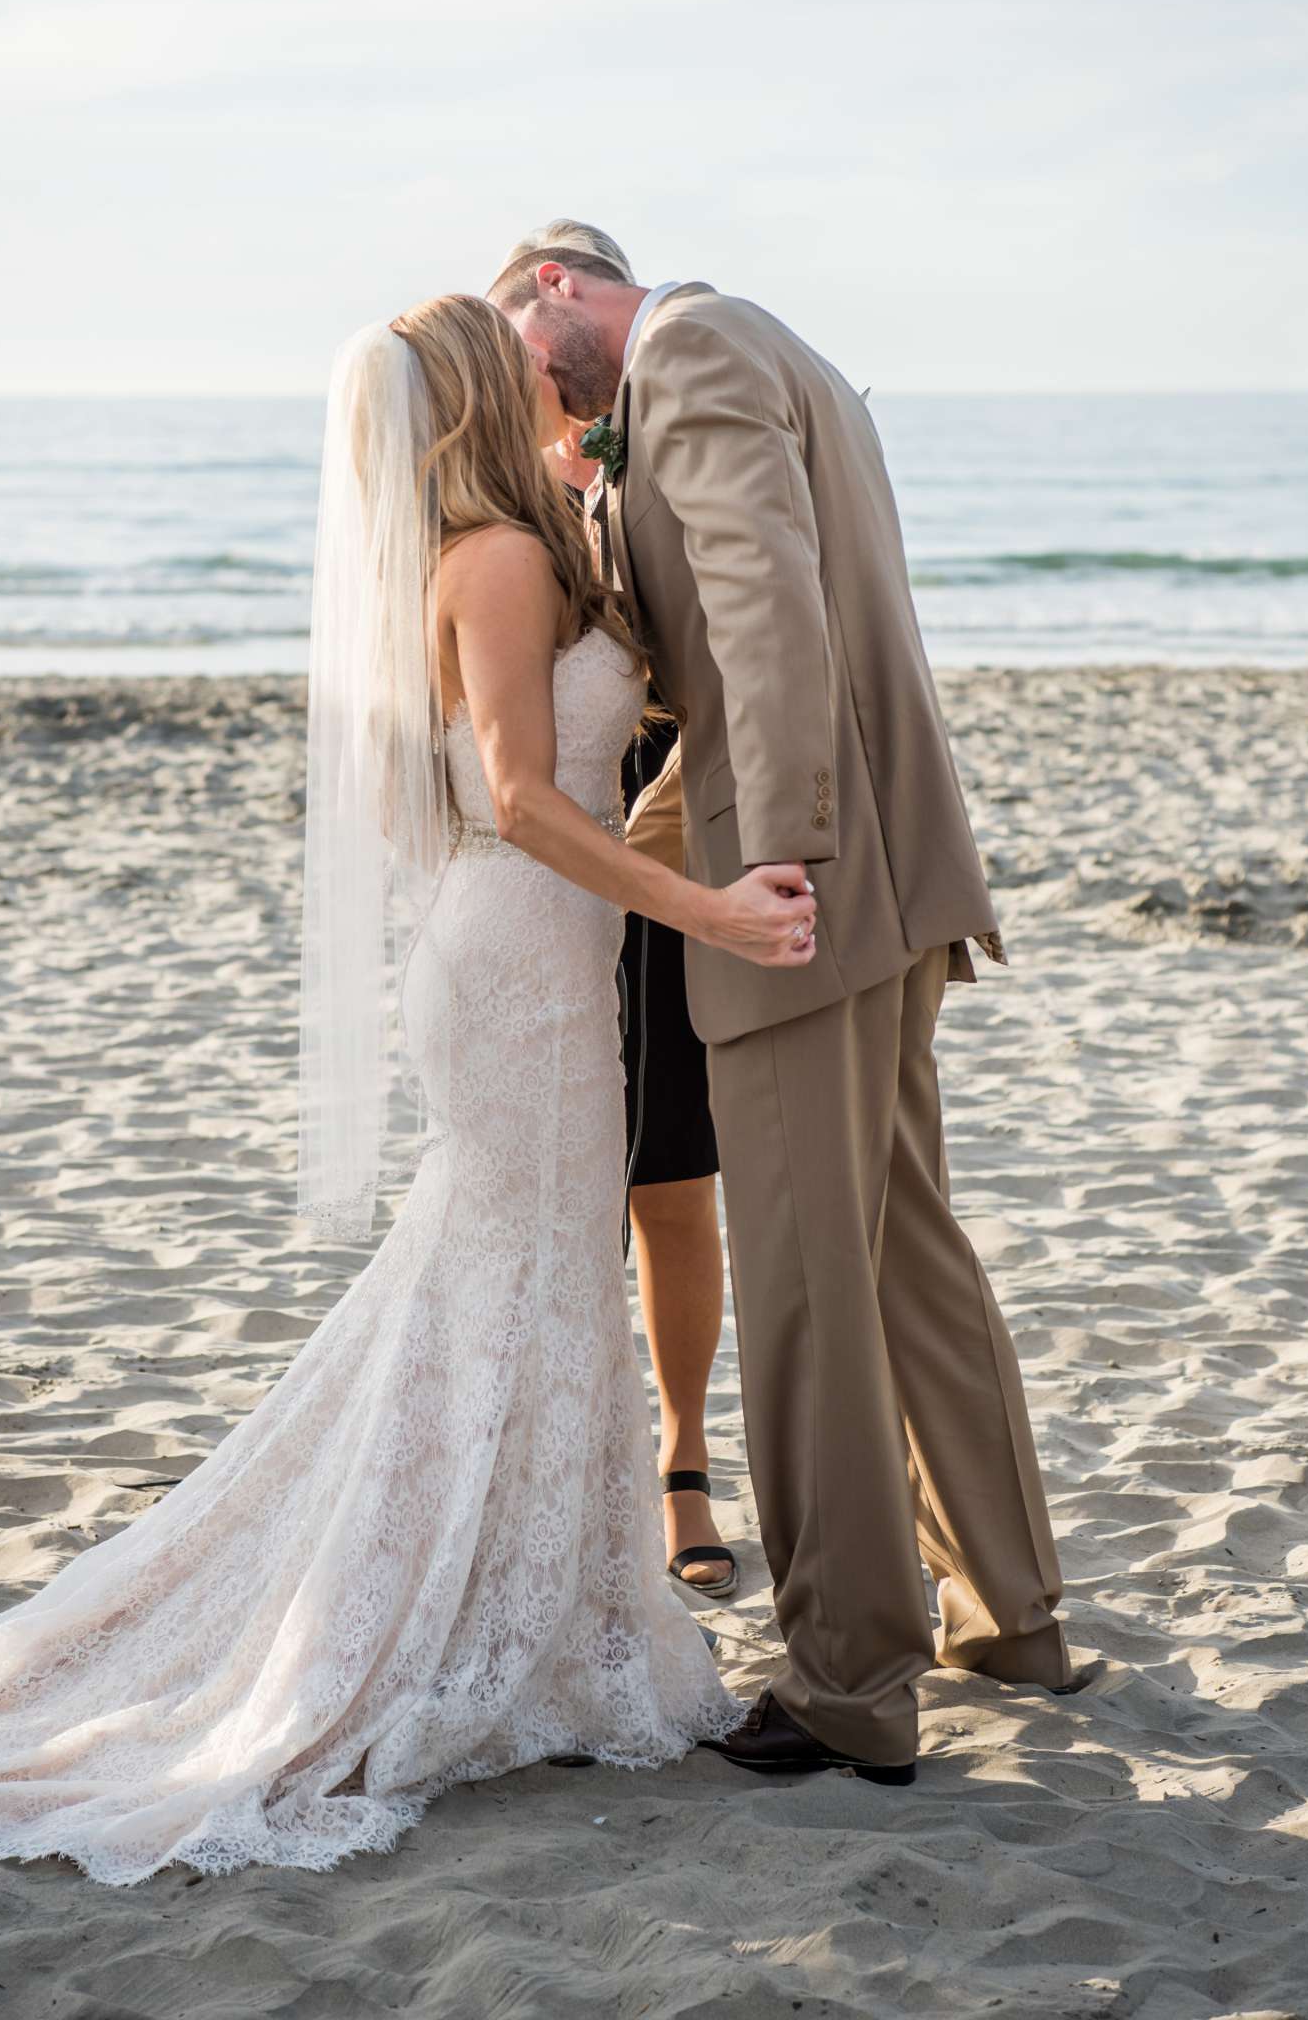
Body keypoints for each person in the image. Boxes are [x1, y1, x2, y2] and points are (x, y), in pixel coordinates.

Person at [0, 296, 819, 1884]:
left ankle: (554, 1601)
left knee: (529, 1270)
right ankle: (473, 1617)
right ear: (478, 386)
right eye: (519, 341)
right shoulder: (497, 561)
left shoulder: (514, 539)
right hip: (522, 959)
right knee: (515, 1266)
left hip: (541, 960)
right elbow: (530, 800)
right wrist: (719, 912)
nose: (549, 346)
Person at [490, 243, 1075, 1787]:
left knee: (812, 1284)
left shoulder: (686, 349)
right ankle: (1009, 1614)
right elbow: (748, 631)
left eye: (515, 339)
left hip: (813, 895)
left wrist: (777, 857)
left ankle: (847, 1683)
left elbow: (764, 604)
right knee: (908, 1254)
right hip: (888, 875)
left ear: (560, 279)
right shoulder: (758, 352)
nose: (521, 380)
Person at [496, 220, 734, 1599]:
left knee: (667, 1169)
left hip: (658, 816)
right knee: (552, 1173)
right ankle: (563, 1462)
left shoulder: (668, 431)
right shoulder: (496, 496)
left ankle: (684, 1465)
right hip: (546, 859)